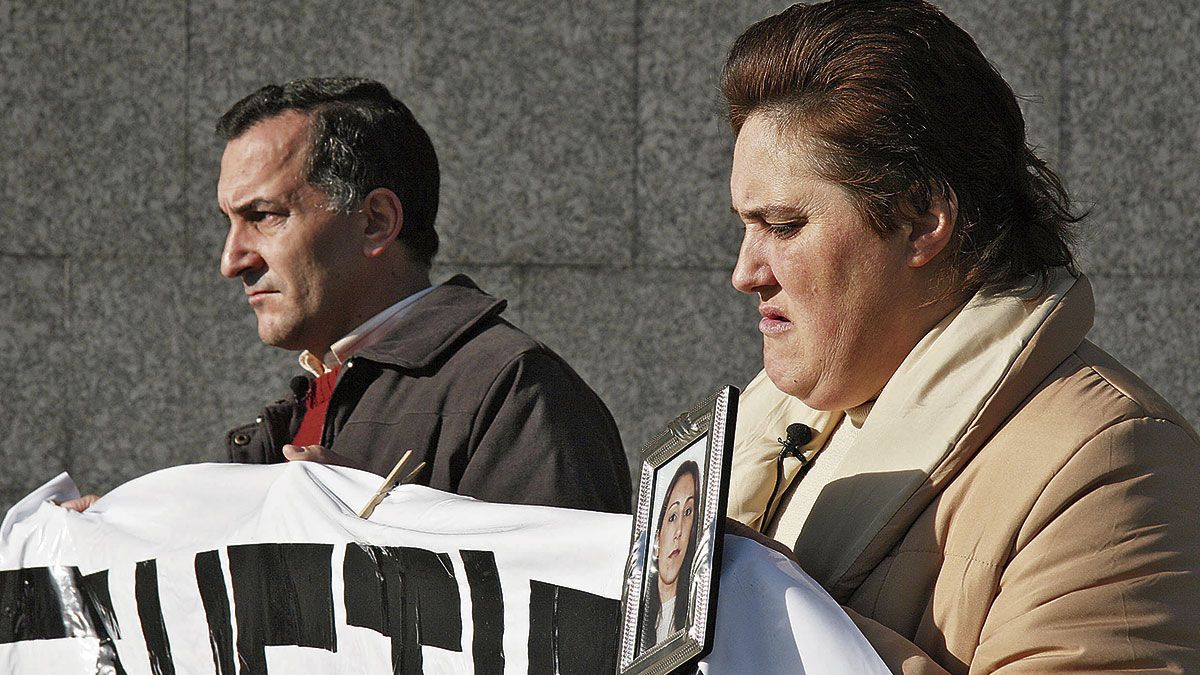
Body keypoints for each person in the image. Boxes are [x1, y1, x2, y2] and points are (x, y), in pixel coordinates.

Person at [720, 1, 1200, 672]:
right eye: (746, 224)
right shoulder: (779, 426)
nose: (746, 272)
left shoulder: (1114, 465)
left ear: (921, 220)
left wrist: (766, 606)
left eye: (786, 225)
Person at [211, 77, 630, 513]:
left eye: (262, 216)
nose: (231, 260)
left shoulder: (513, 391)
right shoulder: (299, 411)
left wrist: (376, 535)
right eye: (229, 221)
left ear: (375, 221)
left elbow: (559, 579)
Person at [639, 460, 700, 653]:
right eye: (673, 516)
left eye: (688, 513)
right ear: (657, 538)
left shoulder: (696, 615)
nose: (679, 530)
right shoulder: (636, 620)